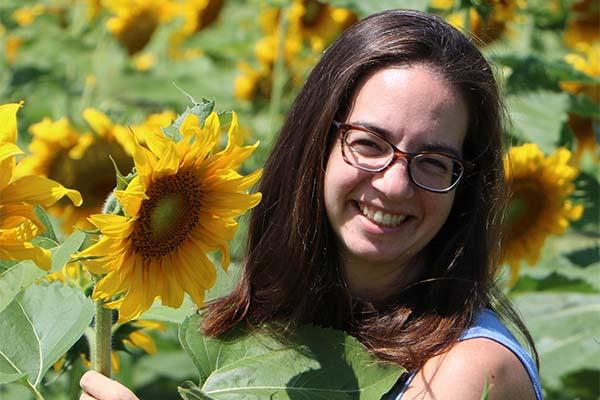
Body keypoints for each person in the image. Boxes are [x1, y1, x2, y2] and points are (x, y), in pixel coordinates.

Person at [80, 9, 543, 400]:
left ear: (466, 187)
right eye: (368, 143)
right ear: (314, 146)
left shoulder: (467, 371)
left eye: (435, 162)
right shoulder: (275, 330)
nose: (396, 184)